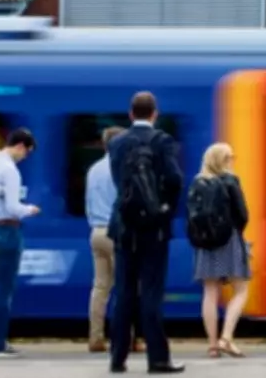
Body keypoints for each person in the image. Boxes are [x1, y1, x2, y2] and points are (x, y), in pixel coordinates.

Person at [108, 91, 184, 374]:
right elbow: (175, 180)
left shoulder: (116, 143)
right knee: (151, 294)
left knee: (124, 292)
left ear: (131, 114)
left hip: (124, 227)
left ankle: (117, 358)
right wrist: (164, 209)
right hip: (154, 230)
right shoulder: (161, 141)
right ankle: (158, 359)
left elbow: (119, 182)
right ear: (155, 114)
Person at [0, 128, 40, 358]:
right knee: (4, 289)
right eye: (27, 153)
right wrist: (31, 209)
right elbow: (14, 207)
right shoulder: (9, 170)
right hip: (7, 230)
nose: (25, 157)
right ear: (21, 146)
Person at [86, 126, 144, 354]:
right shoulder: (121, 167)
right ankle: (127, 340)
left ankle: (95, 338)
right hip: (117, 232)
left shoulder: (93, 169)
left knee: (100, 287)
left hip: (96, 232)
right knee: (126, 287)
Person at [190, 143, 251, 358]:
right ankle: (226, 338)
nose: (233, 160)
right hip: (229, 239)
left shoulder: (198, 182)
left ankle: (213, 345)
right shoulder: (230, 181)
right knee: (241, 289)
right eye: (230, 157)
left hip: (205, 242)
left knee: (210, 292)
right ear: (223, 160)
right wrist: (238, 235)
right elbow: (243, 214)